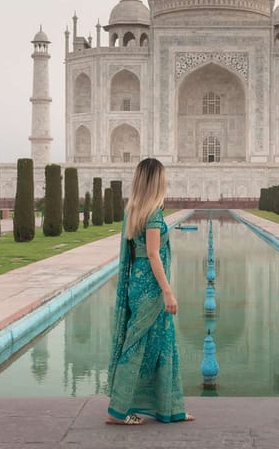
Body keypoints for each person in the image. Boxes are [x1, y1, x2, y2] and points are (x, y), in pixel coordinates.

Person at [106, 157, 194, 425]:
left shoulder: (132, 211)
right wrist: (167, 291)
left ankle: (167, 407)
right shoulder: (154, 214)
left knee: (147, 344)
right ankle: (118, 411)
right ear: (157, 182)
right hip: (152, 289)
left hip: (137, 284)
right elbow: (154, 254)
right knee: (147, 346)